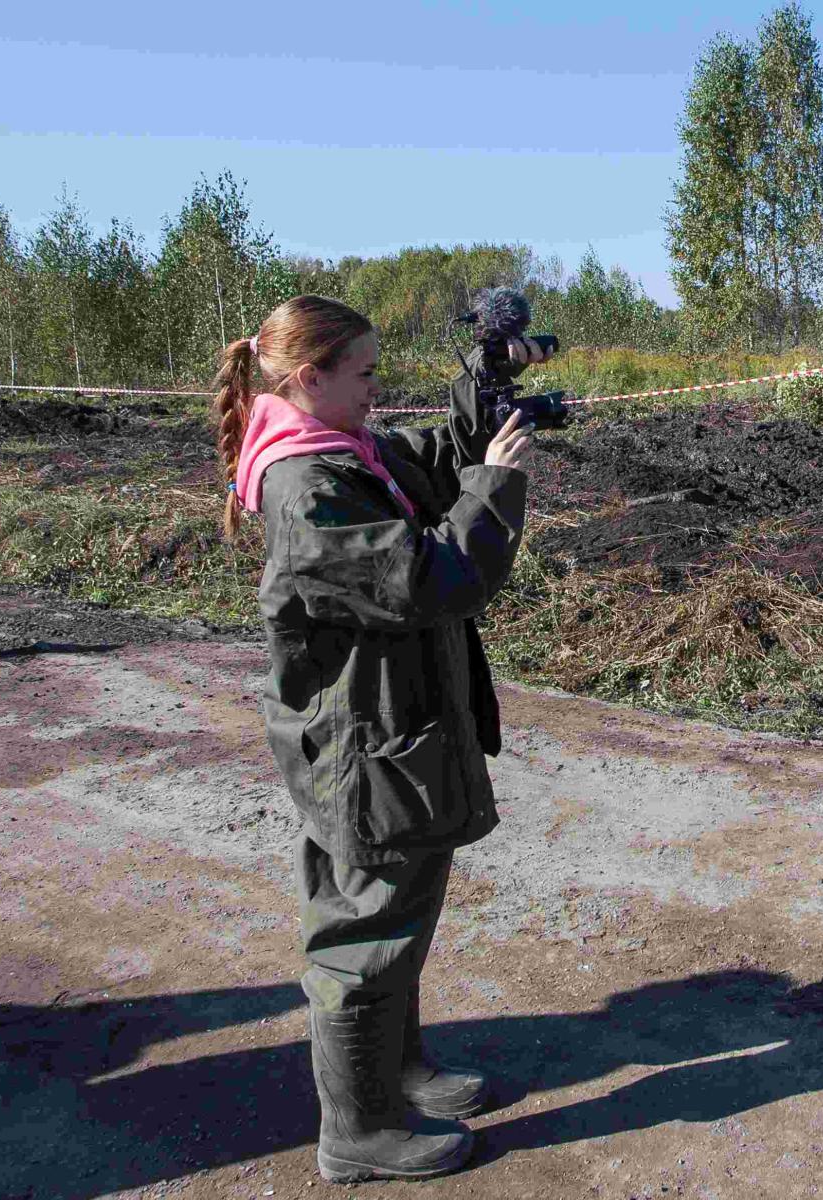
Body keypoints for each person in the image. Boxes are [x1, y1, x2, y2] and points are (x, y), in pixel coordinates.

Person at [212, 295, 540, 1182]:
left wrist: (490, 379)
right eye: (363, 374)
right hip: (363, 746)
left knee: (400, 908)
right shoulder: (307, 487)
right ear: (308, 379)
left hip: (391, 730)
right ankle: (355, 1131)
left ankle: (397, 1071)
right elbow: (428, 580)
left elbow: (430, 463)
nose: (377, 388)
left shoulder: (342, 450)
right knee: (364, 931)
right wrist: (497, 487)